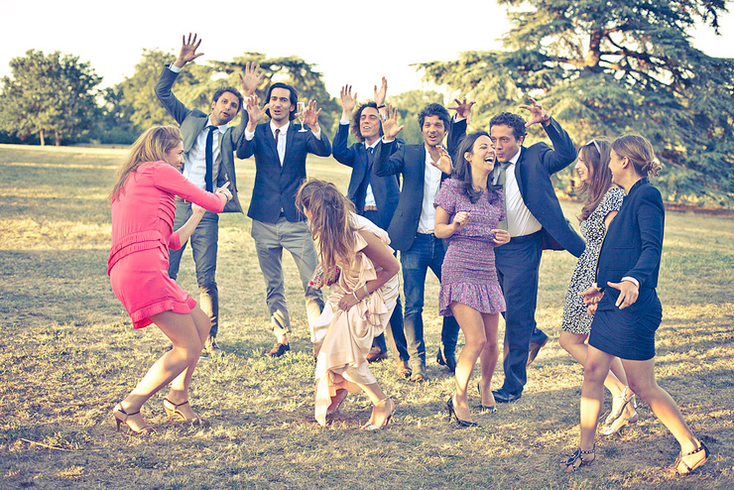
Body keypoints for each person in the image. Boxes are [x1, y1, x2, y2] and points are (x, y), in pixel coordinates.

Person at [563, 134, 709, 475]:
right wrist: (601, 289)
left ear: (625, 161)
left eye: (612, 159)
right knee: (593, 371)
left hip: (634, 307)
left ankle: (692, 447)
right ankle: (586, 450)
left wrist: (633, 280)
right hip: (611, 302)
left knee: (642, 386)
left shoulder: (646, 195)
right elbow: (617, 252)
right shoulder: (627, 198)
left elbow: (651, 248)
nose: (609, 165)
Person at [108, 126, 233, 434]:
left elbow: (172, 242)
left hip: (136, 268)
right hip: (143, 271)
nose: (181, 161)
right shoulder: (156, 169)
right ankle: (129, 407)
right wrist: (222, 195)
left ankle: (177, 398)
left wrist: (197, 214)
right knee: (186, 347)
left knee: (201, 325)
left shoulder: (134, 179)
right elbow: (216, 202)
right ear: (162, 151)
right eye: (179, 153)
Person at [155, 33, 262, 356]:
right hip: (176, 206)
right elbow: (162, 92)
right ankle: (175, 333)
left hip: (206, 211)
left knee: (206, 278)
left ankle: (209, 337)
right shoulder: (191, 119)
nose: (228, 108)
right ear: (213, 104)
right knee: (168, 272)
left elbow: (245, 145)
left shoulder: (232, 135)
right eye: (224, 102)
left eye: (234, 105)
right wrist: (179, 63)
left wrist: (249, 99)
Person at [487, 99, 584, 403]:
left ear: (520, 139)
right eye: (494, 139)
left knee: (517, 315)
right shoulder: (486, 161)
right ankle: (533, 335)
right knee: (497, 302)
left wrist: (548, 121)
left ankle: (512, 386)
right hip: (490, 247)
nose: (498, 146)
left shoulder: (536, 157)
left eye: (504, 139)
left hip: (523, 248)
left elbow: (567, 154)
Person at [373, 100, 471, 382]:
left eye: (438, 125)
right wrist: (387, 139)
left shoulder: (455, 156)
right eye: (428, 125)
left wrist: (450, 170)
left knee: (456, 298)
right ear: (422, 128)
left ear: (445, 129)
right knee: (414, 304)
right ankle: (417, 362)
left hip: (447, 240)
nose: (432, 129)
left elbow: (468, 187)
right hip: (413, 240)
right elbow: (381, 169)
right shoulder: (409, 152)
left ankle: (447, 350)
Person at [296, 179, 400, 429]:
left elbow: (392, 268)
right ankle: (339, 387)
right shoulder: (328, 226)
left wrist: (357, 295)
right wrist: (326, 270)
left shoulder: (359, 232)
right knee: (323, 335)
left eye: (305, 210)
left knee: (346, 354)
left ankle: (382, 403)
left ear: (317, 212)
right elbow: (340, 259)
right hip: (348, 284)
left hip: (374, 289)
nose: (304, 215)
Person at [236, 83, 330, 357]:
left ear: (292, 106)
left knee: (312, 283)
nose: (277, 103)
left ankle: (320, 342)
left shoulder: (302, 132)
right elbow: (242, 152)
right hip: (264, 219)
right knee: (273, 284)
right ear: (268, 104)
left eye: (283, 100)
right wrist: (251, 123)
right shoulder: (258, 131)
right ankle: (282, 338)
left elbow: (325, 150)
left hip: (296, 220)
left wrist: (314, 126)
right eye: (273, 99)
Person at [559, 139, 638, 436]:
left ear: (599, 164)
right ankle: (627, 409)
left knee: (569, 340)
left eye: (583, 161)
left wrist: (600, 285)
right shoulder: (602, 195)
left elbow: (614, 243)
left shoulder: (614, 196)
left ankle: (620, 392)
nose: (578, 166)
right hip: (588, 274)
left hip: (594, 279)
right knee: (603, 345)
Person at [333, 79, 411, 377]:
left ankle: (402, 355)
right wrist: (346, 113)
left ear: (382, 123)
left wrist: (381, 105)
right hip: (357, 223)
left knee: (388, 285)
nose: (366, 121)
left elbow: (394, 150)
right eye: (362, 118)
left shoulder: (394, 148)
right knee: (361, 283)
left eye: (372, 117)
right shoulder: (355, 150)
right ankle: (377, 345)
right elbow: (337, 151)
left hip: (385, 224)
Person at [434, 131, 510, 427]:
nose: (491, 150)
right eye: (484, 146)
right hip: (459, 267)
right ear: (468, 156)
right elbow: (439, 230)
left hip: (487, 268)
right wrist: (454, 224)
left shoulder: (496, 195)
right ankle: (459, 398)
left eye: (493, 146)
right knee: (476, 340)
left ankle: (485, 386)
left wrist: (504, 238)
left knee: (491, 343)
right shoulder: (452, 188)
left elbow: (493, 230)